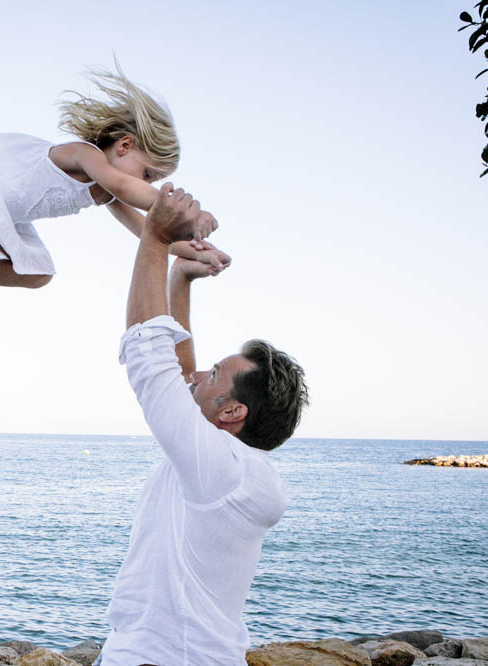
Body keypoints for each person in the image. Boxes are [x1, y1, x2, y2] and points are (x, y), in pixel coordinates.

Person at [0, 63, 223, 358]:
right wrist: (191, 215)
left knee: (39, 274)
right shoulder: (86, 155)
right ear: (125, 145)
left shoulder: (106, 190)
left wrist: (195, 250)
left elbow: (148, 231)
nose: (147, 184)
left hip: (6, 215)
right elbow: (127, 188)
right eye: (148, 175)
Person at [98, 184, 309, 665]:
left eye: (217, 374)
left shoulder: (220, 468)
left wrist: (155, 238)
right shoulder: (233, 467)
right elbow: (182, 372)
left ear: (233, 413)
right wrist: (180, 280)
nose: (198, 376)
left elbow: (152, 362)